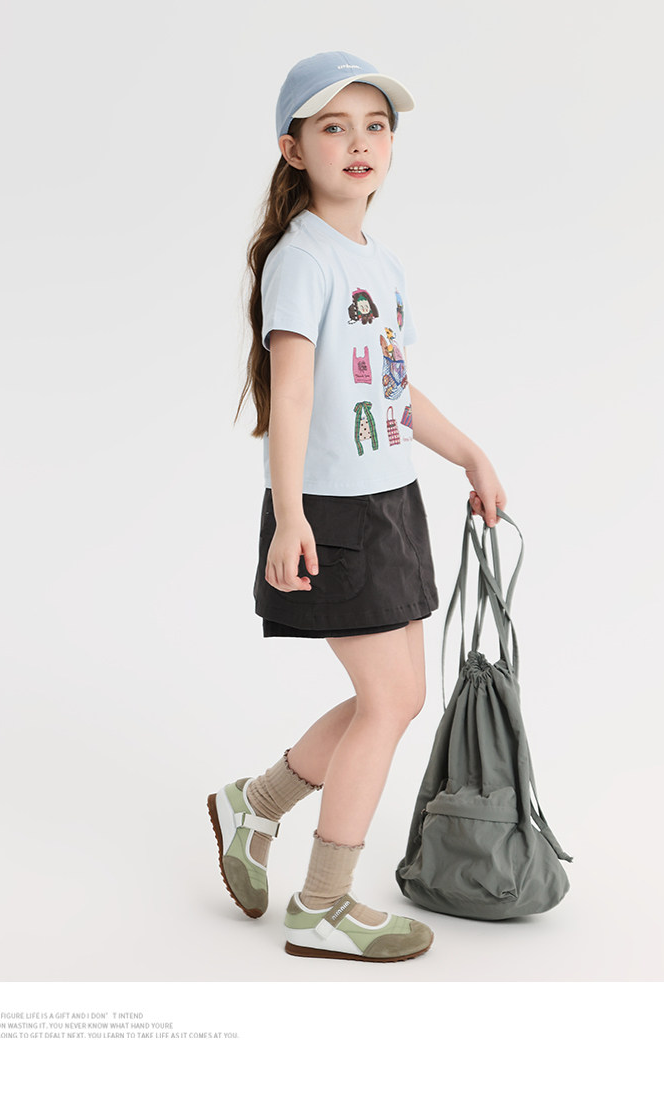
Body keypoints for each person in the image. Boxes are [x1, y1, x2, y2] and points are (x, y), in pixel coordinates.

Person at [207, 50, 507, 963]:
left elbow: (394, 390)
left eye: (375, 125)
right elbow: (292, 394)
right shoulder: (302, 261)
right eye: (333, 126)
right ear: (293, 149)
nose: (359, 142)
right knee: (387, 701)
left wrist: (469, 454)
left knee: (399, 696)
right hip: (332, 511)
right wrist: (290, 512)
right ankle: (324, 904)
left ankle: (253, 806)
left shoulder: (379, 262)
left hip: (390, 500)